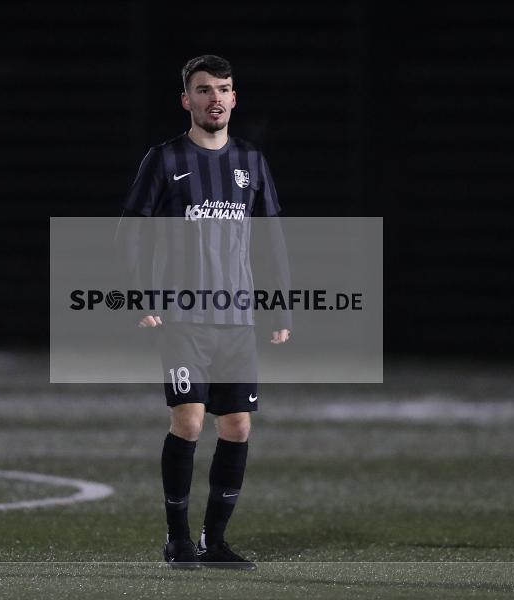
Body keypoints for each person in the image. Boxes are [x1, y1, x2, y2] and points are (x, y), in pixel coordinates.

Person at [119, 55, 291, 570]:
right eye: (203, 90)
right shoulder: (165, 159)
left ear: (235, 98)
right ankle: (177, 541)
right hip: (183, 317)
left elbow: (272, 237)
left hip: (236, 319)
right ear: (186, 100)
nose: (214, 98)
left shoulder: (251, 161)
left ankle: (213, 543)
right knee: (190, 423)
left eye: (223, 89)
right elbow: (131, 229)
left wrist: (280, 303)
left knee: (237, 427)